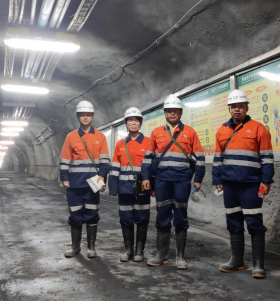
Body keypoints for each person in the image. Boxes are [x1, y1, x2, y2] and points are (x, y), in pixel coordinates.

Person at [212, 90, 275, 279]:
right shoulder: (222, 130)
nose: (237, 109)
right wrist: (217, 180)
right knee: (233, 221)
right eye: (233, 107)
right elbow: (218, 158)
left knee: (254, 222)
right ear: (229, 109)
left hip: (251, 184)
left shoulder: (259, 129)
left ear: (247, 107)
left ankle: (258, 264)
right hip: (229, 185)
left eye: (240, 106)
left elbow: (267, 158)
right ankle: (237, 260)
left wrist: (266, 181)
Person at [141, 95, 206, 270]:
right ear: (165, 113)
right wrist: (146, 177)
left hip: (182, 180)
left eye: (175, 110)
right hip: (162, 180)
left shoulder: (190, 132)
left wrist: (198, 179)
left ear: (180, 112)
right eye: (169, 111)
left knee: (180, 215)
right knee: (162, 214)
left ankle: (180, 256)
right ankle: (161, 254)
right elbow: (148, 158)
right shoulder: (156, 133)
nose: (172, 113)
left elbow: (200, 158)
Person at [60, 101, 111, 259]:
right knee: (75, 215)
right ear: (78, 117)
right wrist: (64, 178)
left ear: (92, 116)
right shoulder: (71, 137)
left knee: (92, 214)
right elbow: (65, 159)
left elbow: (105, 161)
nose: (85, 117)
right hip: (75, 184)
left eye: (88, 114)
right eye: (82, 115)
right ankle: (75, 247)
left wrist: (102, 176)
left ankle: (91, 248)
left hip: (92, 184)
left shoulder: (100, 137)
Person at [109, 107, 152, 263]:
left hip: (142, 189)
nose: (133, 123)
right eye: (130, 120)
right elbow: (115, 167)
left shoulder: (149, 142)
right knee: (125, 219)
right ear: (126, 124)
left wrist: (153, 187)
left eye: (136, 120)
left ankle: (139, 251)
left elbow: (153, 167)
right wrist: (113, 188)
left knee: (142, 219)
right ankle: (129, 251)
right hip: (124, 189)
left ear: (140, 123)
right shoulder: (120, 144)